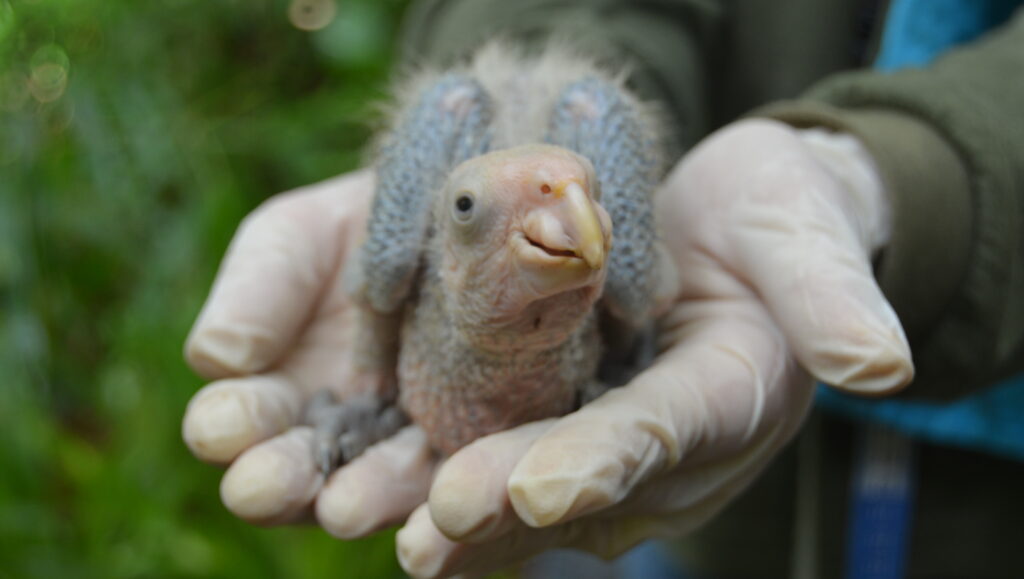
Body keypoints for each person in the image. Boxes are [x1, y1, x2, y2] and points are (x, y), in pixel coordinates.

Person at [181, 1, 1024, 576]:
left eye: (584, 197)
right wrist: (369, 369)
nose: (570, 215)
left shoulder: (625, 290)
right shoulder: (406, 262)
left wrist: (892, 176)